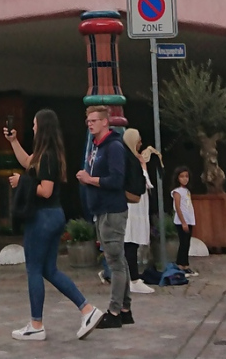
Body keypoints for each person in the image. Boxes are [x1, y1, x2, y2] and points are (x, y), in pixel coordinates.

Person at [5, 109, 104, 341]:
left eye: (35, 124)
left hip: (43, 218)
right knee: (49, 270)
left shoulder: (47, 156)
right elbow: (27, 162)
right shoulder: (46, 154)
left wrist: (22, 182)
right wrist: (13, 141)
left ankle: (36, 324)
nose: (32, 128)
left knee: (34, 269)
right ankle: (87, 310)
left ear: (43, 127)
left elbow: (46, 190)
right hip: (53, 217)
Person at [77, 105, 132, 327]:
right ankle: (125, 309)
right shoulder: (96, 146)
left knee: (115, 262)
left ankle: (115, 312)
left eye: (94, 120)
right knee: (118, 260)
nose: (90, 124)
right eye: (88, 121)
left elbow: (117, 180)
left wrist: (90, 180)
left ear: (104, 122)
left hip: (112, 211)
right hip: (101, 210)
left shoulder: (114, 146)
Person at [121, 128, 159, 295]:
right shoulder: (129, 160)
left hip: (138, 207)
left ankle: (132, 277)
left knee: (133, 243)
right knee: (130, 242)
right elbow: (142, 183)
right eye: (138, 141)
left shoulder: (133, 159)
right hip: (132, 207)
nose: (140, 144)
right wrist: (142, 166)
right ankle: (133, 279)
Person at [169, 166, 197, 276]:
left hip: (189, 220)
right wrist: (183, 222)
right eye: (182, 176)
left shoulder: (187, 191)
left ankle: (186, 264)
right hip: (182, 221)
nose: (185, 179)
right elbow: (177, 207)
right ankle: (180, 264)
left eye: (186, 176)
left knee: (187, 243)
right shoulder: (177, 191)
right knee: (183, 243)